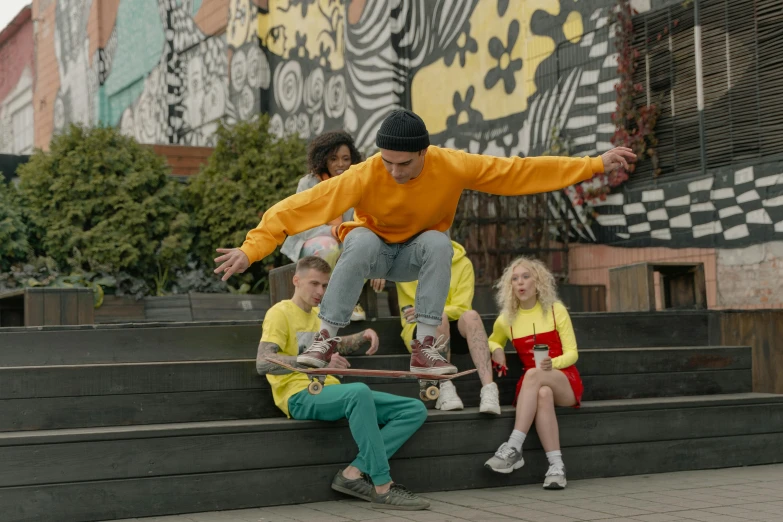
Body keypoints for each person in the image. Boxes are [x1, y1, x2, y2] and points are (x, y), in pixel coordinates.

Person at [215, 108, 635, 377]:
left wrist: (593, 165)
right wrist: (251, 248)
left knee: (438, 242)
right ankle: (325, 338)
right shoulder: (365, 173)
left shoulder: (450, 164)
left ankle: (425, 346)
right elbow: (300, 207)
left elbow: (516, 172)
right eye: (387, 162)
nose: (394, 172)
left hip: (414, 258)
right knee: (357, 240)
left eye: (404, 164)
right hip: (374, 253)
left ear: (424, 153)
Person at [256, 256, 431, 510]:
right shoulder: (279, 313)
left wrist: (361, 336)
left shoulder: (319, 315)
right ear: (296, 280)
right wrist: (314, 362)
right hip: (299, 395)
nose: (320, 291)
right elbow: (263, 362)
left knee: (414, 410)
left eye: (325, 286)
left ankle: (352, 474)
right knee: (359, 392)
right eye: (314, 284)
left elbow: (332, 346)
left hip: (332, 391)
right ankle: (383, 487)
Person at [483, 256, 583, 490]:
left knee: (537, 377)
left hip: (564, 379)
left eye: (526, 277)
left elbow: (573, 353)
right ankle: (556, 467)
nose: (521, 283)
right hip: (534, 385)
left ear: (538, 282)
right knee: (543, 394)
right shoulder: (506, 319)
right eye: (515, 279)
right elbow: (489, 340)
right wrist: (497, 348)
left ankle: (514, 446)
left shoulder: (556, 310)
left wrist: (553, 363)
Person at [396, 239, 505, 414]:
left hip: (451, 328)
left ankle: (489, 389)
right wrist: (378, 274)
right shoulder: (404, 261)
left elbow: (462, 307)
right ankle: (445, 386)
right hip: (419, 332)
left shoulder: (463, 263)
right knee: (439, 317)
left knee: (472, 316)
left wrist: (429, 310)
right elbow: (365, 258)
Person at [280, 130, 372, 321]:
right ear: (323, 160)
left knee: (363, 247)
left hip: (346, 239)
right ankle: (323, 303)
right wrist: (332, 231)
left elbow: (367, 221)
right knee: (328, 246)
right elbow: (301, 225)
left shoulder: (358, 182)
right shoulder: (307, 184)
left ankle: (346, 301)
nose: (340, 164)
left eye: (346, 158)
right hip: (312, 242)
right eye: (334, 158)